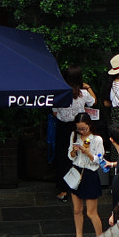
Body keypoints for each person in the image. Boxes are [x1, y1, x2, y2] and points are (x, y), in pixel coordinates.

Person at [63, 114, 107, 237]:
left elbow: (99, 160)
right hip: (76, 171)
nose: (82, 131)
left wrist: (87, 152)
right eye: (79, 129)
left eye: (84, 129)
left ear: (89, 125)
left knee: (91, 212)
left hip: (89, 173)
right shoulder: (74, 136)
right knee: (77, 209)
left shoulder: (97, 139)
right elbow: (70, 155)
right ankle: (78, 236)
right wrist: (74, 152)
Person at [50, 67, 94, 199]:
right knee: (79, 155)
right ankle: (79, 186)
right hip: (79, 128)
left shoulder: (59, 93)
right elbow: (93, 101)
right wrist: (88, 87)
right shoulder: (83, 93)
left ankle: (63, 190)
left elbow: (55, 112)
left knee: (63, 158)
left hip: (63, 127)